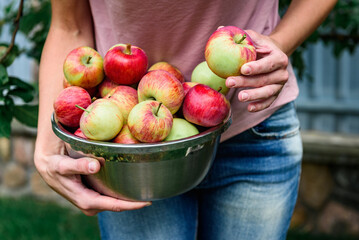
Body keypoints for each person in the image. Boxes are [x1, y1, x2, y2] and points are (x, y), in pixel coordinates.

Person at [34, 0, 337, 239]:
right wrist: (48, 144)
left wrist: (280, 43)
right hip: (132, 152)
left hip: (252, 125)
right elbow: (69, 26)